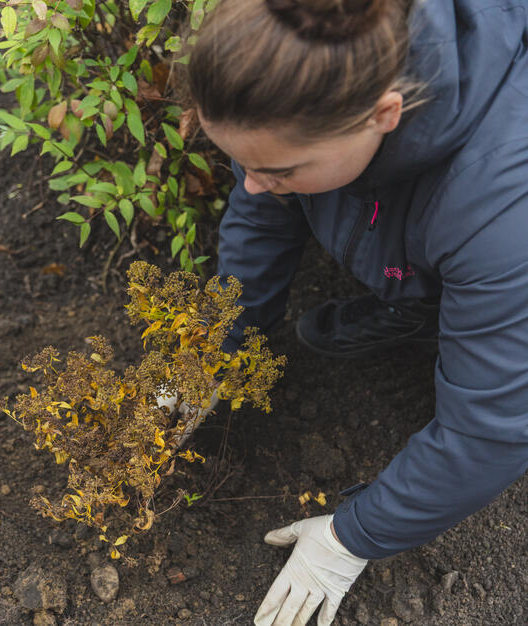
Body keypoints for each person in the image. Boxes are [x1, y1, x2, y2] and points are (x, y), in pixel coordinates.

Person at [187, 0, 528, 624]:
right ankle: (417, 302)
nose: (253, 183)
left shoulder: (503, 208)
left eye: (280, 169)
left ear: (385, 114)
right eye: (245, 162)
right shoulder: (309, 64)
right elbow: (260, 216)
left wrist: (352, 536)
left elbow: (490, 430)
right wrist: (218, 348)